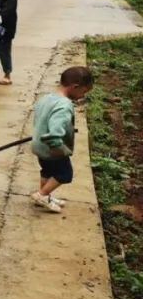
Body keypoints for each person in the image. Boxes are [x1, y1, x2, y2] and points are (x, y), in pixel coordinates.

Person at [30, 66, 94, 213]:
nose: (82, 96)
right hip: (52, 149)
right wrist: (62, 149)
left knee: (47, 171)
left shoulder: (47, 98)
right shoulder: (64, 106)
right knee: (64, 174)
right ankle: (41, 195)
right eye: (83, 92)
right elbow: (54, 134)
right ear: (75, 87)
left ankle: (46, 196)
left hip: (38, 145)